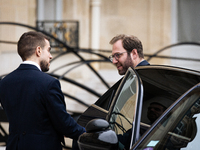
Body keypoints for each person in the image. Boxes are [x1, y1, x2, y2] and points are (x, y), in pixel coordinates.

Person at [0, 31, 85, 150]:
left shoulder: (4, 83)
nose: (50, 56)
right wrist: (87, 134)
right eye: (48, 50)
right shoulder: (49, 83)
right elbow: (63, 123)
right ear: (38, 51)